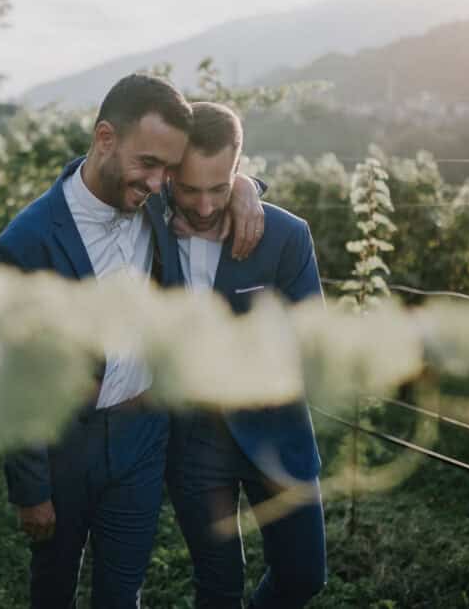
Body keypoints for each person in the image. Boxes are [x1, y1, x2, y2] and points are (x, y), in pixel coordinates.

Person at [0, 74, 265, 608]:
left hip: (142, 441)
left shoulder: (159, 206)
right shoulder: (25, 245)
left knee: (123, 593)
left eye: (168, 169)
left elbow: (212, 180)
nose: (160, 182)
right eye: (148, 164)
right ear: (105, 139)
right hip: (65, 448)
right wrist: (31, 490)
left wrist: (248, 188)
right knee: (53, 587)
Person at [166, 101, 327, 608]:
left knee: (304, 577)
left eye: (220, 187)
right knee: (217, 587)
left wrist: (247, 189)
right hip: (193, 440)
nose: (207, 206)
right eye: (189, 189)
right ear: (169, 172)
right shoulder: (143, 222)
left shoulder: (285, 235)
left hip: (276, 432)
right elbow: (85, 184)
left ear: (238, 167)